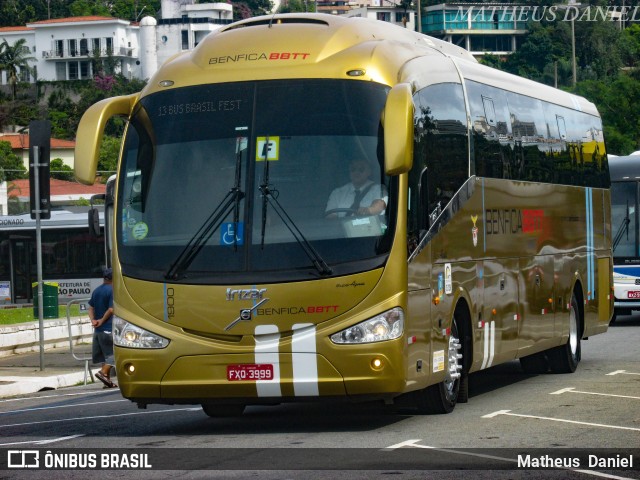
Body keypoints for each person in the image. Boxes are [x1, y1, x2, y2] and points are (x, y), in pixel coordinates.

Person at [89, 267, 116, 388]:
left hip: (98, 330)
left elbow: (90, 307)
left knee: (106, 355)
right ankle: (103, 372)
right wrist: (102, 320)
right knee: (116, 354)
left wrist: (93, 320)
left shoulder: (97, 290)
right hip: (109, 328)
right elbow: (111, 309)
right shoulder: (112, 290)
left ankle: (107, 382)